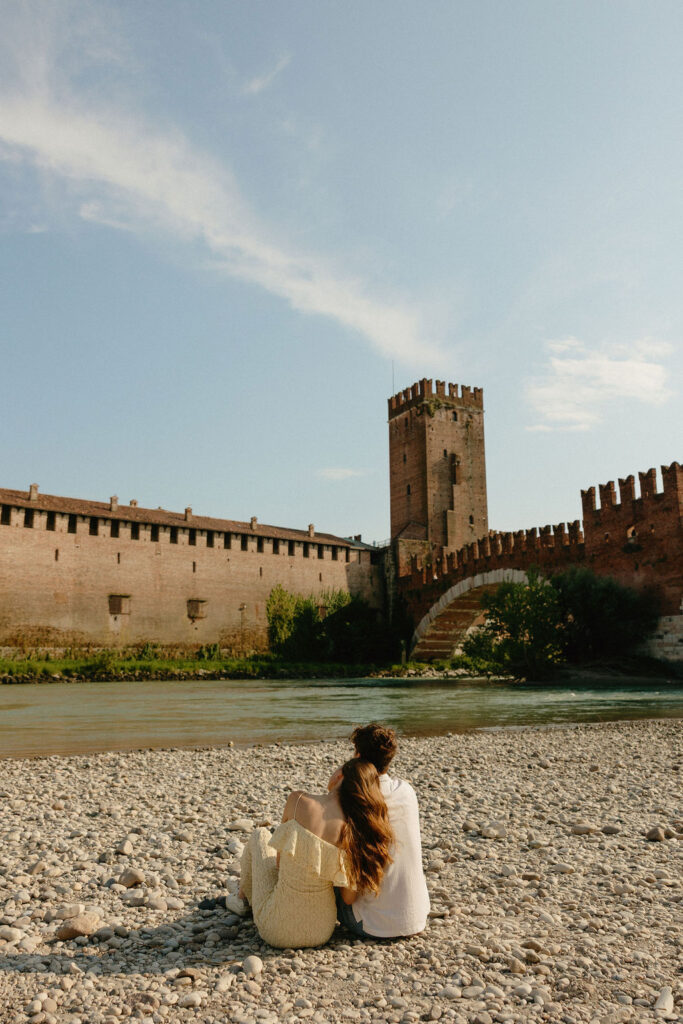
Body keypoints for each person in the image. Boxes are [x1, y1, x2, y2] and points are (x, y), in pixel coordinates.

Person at [238, 757, 393, 949]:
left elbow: (279, 864)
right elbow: (348, 898)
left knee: (259, 835)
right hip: (322, 931)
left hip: (277, 929)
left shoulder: (298, 800)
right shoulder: (355, 832)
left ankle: (241, 899)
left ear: (339, 775)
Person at [332, 723, 430, 939]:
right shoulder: (406, 790)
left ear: (358, 756)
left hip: (372, 924)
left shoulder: (357, 798)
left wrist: (333, 787)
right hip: (416, 917)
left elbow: (347, 898)